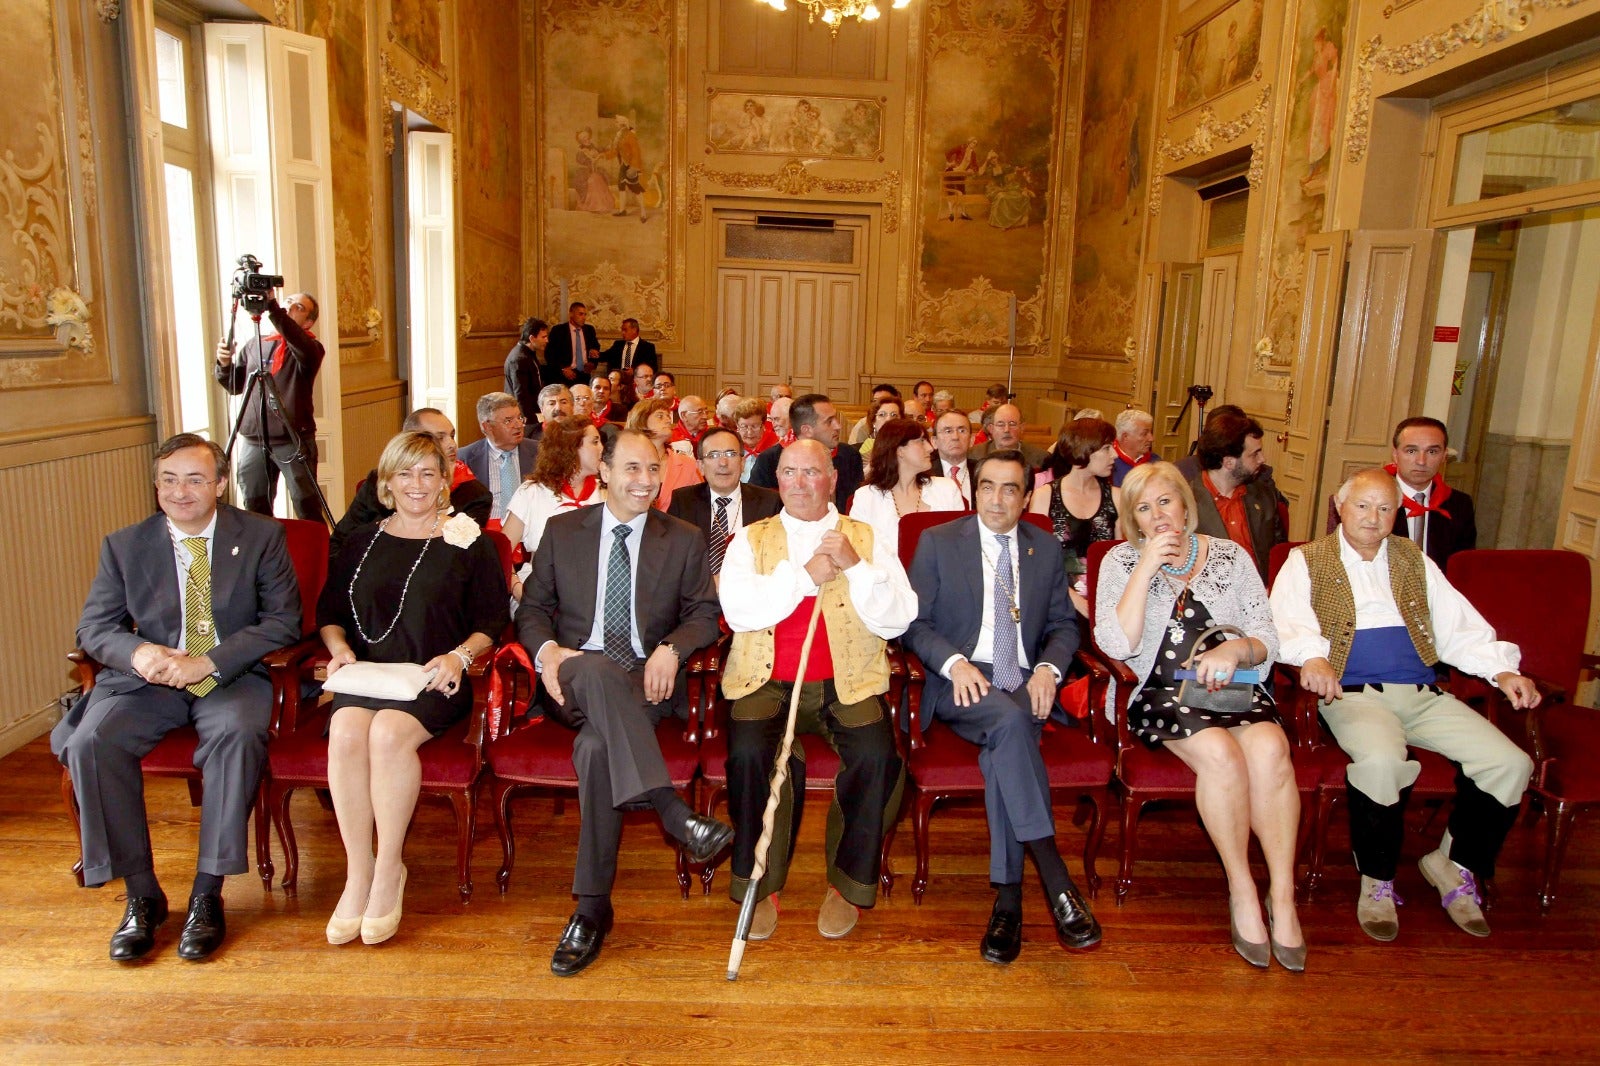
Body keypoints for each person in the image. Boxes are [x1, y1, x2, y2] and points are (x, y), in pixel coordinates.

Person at [54, 433, 301, 961]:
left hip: (230, 675)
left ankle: (207, 894)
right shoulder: (125, 544)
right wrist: (139, 653)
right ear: (156, 485)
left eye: (194, 479)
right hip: (151, 680)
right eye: (168, 480)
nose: (180, 492)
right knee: (92, 742)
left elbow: (283, 622)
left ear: (218, 484)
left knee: (236, 735)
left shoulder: (260, 536)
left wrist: (208, 661)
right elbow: (96, 627)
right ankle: (142, 895)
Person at [1272, 468, 1535, 942]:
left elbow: (1459, 628)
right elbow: (1285, 623)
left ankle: (1452, 865)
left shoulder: (1415, 560)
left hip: (1423, 693)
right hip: (1352, 694)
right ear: (1338, 505)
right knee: (1381, 761)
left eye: (1385, 508)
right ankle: (1377, 880)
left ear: (1399, 512)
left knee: (1510, 762)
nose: (1373, 518)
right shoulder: (1306, 561)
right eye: (1362, 506)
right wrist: (1311, 655)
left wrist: (1503, 670)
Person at [518, 429, 729, 975]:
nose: (645, 481)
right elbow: (532, 610)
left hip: (645, 686)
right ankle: (674, 814)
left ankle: (591, 910)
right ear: (604, 472)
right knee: (588, 665)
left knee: (594, 751)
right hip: (574, 679)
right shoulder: (564, 532)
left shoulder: (681, 537)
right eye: (632, 469)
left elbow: (705, 614)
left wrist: (671, 648)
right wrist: (545, 654)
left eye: (653, 469)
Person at [1094, 462, 1305, 971]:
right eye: (1144, 509)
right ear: (1133, 520)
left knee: (1272, 748)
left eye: (1166, 502)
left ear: (1186, 506)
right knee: (1220, 752)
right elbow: (1116, 643)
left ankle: (1283, 895)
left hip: (1233, 688)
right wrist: (1145, 569)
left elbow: (1268, 640)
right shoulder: (1120, 562)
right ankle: (1242, 890)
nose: (1158, 515)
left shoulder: (1231, 557)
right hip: (1161, 692)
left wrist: (1235, 650)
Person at [902, 450, 1102, 963]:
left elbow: (1062, 625)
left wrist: (1049, 670)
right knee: (1012, 723)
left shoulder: (1044, 546)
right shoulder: (939, 543)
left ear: (1026, 496)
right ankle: (1056, 878)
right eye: (987, 486)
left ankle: (1008, 904)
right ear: (974, 489)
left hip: (1024, 681)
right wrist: (953, 663)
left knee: (1005, 745)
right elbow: (914, 624)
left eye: (1009, 488)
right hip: (963, 682)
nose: (996, 498)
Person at [720, 439, 916, 941]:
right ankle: (759, 886)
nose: (800, 483)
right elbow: (740, 611)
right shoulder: (750, 538)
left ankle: (846, 884)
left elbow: (898, 619)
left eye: (812, 472)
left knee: (878, 757)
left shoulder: (866, 537)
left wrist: (855, 566)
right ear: (776, 479)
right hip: (767, 680)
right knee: (747, 754)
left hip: (844, 682)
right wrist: (805, 577)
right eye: (789, 472)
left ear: (832, 478)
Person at [318, 432, 508, 946]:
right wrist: (337, 649)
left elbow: (493, 620)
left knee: (385, 734)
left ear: (446, 482)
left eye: (428, 473)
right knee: (346, 730)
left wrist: (459, 655)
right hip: (368, 675)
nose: (417, 484)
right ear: (386, 483)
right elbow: (330, 615)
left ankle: (389, 871)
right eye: (405, 473)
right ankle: (359, 872)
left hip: (434, 678)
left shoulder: (470, 541)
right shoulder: (360, 541)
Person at [214, 290, 326, 519]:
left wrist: (274, 307)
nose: (290, 307)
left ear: (309, 322)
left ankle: (317, 553)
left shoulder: (310, 349)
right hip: (254, 440)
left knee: (305, 504)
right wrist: (224, 364)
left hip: (292, 440)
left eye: (299, 307)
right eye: (288, 302)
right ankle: (264, 553)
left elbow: (297, 340)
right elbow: (234, 385)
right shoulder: (256, 344)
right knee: (255, 504)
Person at [331, 408, 492, 558]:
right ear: (411, 441)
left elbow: (461, 558)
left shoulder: (474, 494)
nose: (452, 444)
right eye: (439, 437)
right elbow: (340, 542)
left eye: (452, 435)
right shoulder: (379, 480)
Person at [1324, 417, 1477, 571]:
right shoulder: (1361, 499)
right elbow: (1341, 558)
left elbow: (1462, 568)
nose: (1421, 461)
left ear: (1444, 456)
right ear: (1395, 455)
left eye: (1432, 451)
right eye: (1411, 451)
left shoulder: (1459, 504)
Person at [503, 416, 605, 602]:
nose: (602, 449)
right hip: (540, 591)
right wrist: (517, 587)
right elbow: (501, 550)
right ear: (571, 447)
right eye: (595, 442)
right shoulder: (532, 492)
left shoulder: (606, 493)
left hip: (594, 593)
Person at [667, 427, 782, 582]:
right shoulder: (683, 501)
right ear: (700, 466)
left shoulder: (770, 502)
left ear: (742, 463)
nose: (723, 463)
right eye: (713, 455)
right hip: (699, 598)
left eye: (731, 454)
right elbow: (672, 561)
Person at [1029, 417, 1120, 615]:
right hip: (1055, 601)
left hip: (1105, 602)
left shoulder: (1117, 497)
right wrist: (1077, 601)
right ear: (1084, 449)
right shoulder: (1045, 496)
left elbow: (1121, 562)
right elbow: (1036, 563)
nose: (1114, 455)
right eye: (1106, 448)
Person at [1188, 411, 1285, 582]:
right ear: (1229, 462)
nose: (1263, 459)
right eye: (1255, 454)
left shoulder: (1264, 496)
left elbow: (1279, 556)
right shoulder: (1186, 503)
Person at [849, 417, 964, 560]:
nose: (931, 448)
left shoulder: (947, 489)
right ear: (899, 450)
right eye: (921, 441)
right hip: (886, 580)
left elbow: (960, 547)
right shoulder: (866, 497)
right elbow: (860, 553)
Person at [749, 393, 864, 513]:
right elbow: (757, 508)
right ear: (807, 430)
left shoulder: (850, 456)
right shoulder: (769, 460)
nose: (838, 426)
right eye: (829, 421)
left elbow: (854, 506)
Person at [459, 392, 540, 523]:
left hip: (529, 528)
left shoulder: (540, 452)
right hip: (485, 531)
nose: (518, 425)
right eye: (508, 421)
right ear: (487, 426)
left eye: (520, 418)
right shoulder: (465, 458)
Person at [627, 396, 702, 510]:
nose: (668, 420)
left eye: (668, 416)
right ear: (641, 420)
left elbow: (701, 505)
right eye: (660, 416)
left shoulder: (688, 465)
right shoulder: (626, 463)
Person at [971, 403, 1049, 470]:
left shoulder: (1041, 458)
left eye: (1012, 424)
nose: (1006, 430)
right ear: (991, 429)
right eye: (1000, 424)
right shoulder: (974, 455)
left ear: (1022, 428)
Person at [504, 317, 550, 425]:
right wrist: (532, 421)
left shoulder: (529, 354)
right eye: (543, 337)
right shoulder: (519, 358)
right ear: (532, 338)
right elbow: (521, 395)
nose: (547, 340)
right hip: (525, 418)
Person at [544, 301, 599, 386]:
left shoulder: (589, 330)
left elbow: (595, 347)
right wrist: (563, 369)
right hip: (564, 375)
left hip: (584, 375)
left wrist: (592, 363)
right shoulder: (558, 331)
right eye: (580, 314)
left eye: (585, 314)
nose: (584, 317)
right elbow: (549, 354)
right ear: (571, 314)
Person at [931, 409, 977, 507]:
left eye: (962, 430)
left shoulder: (982, 471)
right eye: (948, 431)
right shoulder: (924, 475)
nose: (955, 437)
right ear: (934, 441)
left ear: (972, 440)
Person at [734, 397, 777, 480]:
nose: (749, 432)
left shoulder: (775, 447)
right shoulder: (731, 446)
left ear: (763, 425)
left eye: (755, 426)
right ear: (737, 426)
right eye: (744, 426)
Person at [1111, 409, 1155, 487]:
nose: (1151, 438)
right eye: (1144, 434)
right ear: (1125, 437)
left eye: (1150, 432)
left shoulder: (1156, 462)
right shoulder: (1109, 464)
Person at [856, 395, 905, 465]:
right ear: (873, 421)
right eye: (882, 415)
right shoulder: (866, 449)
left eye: (894, 415)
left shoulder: (909, 446)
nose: (888, 419)